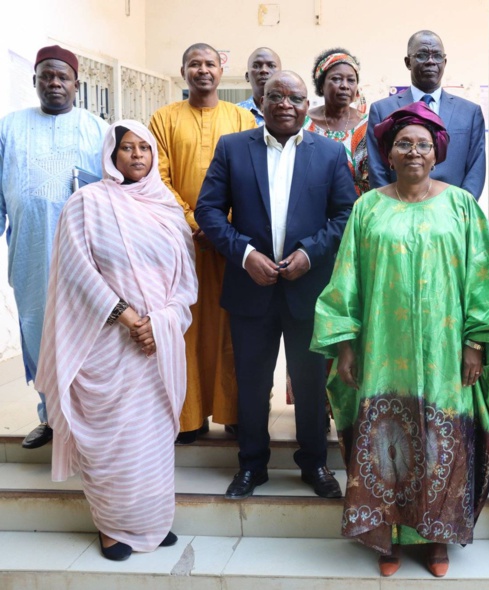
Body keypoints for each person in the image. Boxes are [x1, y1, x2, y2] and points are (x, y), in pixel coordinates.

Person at [311, 101, 489, 578]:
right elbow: (346, 279)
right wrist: (346, 345)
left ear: (437, 154)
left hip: (445, 351)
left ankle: (437, 536)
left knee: (441, 440)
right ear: (387, 154)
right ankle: (388, 534)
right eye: (402, 144)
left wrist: (476, 343)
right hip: (381, 352)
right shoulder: (367, 208)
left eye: (422, 144)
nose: (413, 152)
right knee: (386, 442)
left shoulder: (460, 206)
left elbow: (486, 276)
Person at [35, 120, 197, 561]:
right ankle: (112, 528)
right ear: (111, 154)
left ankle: (152, 519)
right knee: (112, 441)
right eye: (128, 148)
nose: (138, 155)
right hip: (104, 343)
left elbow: (186, 282)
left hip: (154, 347)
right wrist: (126, 317)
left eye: (145, 148)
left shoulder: (166, 208)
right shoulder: (86, 204)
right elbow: (76, 270)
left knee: (153, 440)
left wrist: (158, 322)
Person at [194, 71, 356, 502]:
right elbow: (207, 210)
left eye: (295, 97)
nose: (285, 103)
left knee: (308, 385)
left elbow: (345, 215)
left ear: (308, 105)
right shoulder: (232, 148)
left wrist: (310, 253)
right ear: (260, 101)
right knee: (251, 382)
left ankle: (315, 464)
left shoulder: (329, 154)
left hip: (308, 289)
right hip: (251, 288)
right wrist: (246, 255)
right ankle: (251, 465)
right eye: (276, 96)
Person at [0, 45, 107, 450]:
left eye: (63, 77)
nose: (55, 83)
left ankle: (88, 422)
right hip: (31, 255)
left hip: (87, 258)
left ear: (76, 84)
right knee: (39, 336)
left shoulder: (97, 129)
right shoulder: (8, 128)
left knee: (88, 338)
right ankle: (50, 419)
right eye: (47, 75)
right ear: (34, 82)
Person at [149, 42, 257, 444]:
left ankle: (232, 412)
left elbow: (252, 179)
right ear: (183, 71)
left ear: (220, 69)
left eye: (210, 63)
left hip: (231, 245)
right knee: (186, 330)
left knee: (233, 330)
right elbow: (156, 177)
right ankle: (188, 416)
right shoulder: (163, 119)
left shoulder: (243, 119)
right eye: (194, 63)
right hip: (182, 245)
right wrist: (195, 220)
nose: (203, 70)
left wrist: (222, 227)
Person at [366, 30, 486, 199]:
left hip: (452, 215)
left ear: (445, 62)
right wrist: (393, 209)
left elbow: (476, 169)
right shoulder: (382, 110)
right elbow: (377, 168)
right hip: (398, 212)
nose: (430, 61)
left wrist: (460, 210)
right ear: (408, 62)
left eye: (437, 56)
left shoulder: (470, 113)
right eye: (422, 55)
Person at [305, 48, 369, 195]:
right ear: (321, 85)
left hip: (359, 209)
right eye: (336, 79)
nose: (345, 85)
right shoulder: (303, 123)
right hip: (313, 206)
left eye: (351, 80)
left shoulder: (368, 124)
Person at [237, 47, 282, 126]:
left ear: (281, 75)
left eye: (271, 66)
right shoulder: (234, 113)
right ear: (247, 76)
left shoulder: (295, 113)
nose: (264, 70)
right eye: (256, 66)